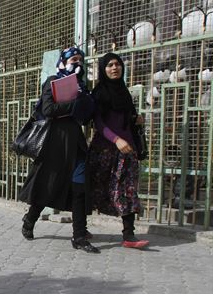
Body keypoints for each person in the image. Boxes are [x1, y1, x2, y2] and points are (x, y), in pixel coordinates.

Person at [19, 47, 99, 253]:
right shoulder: (53, 82)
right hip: (54, 143)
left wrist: (85, 99)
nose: (77, 63)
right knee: (48, 186)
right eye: (73, 59)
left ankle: (79, 236)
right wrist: (72, 104)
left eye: (81, 60)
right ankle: (30, 220)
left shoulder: (82, 87)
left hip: (76, 143)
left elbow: (85, 118)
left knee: (79, 189)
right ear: (63, 62)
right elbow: (48, 110)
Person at [89, 52, 150, 248]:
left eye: (117, 65)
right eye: (110, 65)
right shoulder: (98, 94)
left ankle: (128, 235)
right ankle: (79, 229)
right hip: (104, 150)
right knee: (94, 190)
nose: (114, 68)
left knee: (127, 190)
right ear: (103, 69)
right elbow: (98, 123)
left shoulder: (124, 93)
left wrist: (136, 119)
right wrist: (116, 140)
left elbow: (125, 119)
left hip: (127, 150)